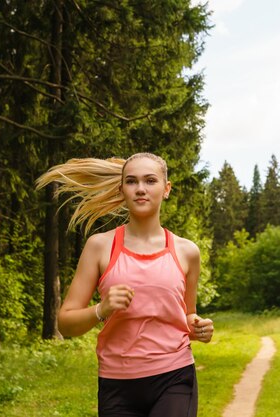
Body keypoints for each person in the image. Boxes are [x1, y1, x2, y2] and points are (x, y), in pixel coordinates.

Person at [36, 152, 214, 417]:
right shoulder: (100, 246)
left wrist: (199, 327)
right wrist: (102, 309)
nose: (140, 189)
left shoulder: (187, 251)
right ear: (122, 190)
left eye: (150, 181)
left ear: (166, 189)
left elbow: (187, 315)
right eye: (131, 181)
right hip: (117, 384)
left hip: (173, 376)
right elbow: (66, 322)